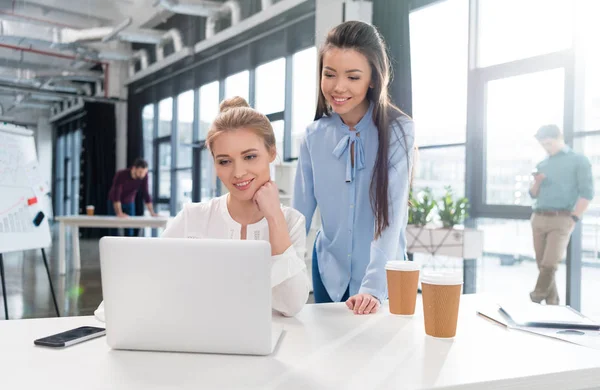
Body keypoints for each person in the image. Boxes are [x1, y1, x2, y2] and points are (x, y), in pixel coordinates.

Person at [293, 21, 415, 315]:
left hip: (385, 278)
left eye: (353, 76)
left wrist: (372, 287)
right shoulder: (312, 136)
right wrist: (280, 274)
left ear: (373, 79)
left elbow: (391, 215)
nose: (338, 87)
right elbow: (298, 218)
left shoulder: (399, 131)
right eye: (329, 74)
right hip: (328, 274)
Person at [156, 97, 309, 316]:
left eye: (250, 156)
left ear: (272, 153)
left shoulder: (292, 222)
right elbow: (149, 278)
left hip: (269, 343)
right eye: (224, 161)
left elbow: (291, 305)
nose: (238, 173)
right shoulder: (193, 218)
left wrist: (275, 218)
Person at [529, 124, 594, 305]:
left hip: (562, 218)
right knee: (542, 266)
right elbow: (533, 194)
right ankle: (552, 306)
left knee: (549, 265)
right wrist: (537, 182)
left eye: (549, 143)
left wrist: (574, 217)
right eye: (543, 145)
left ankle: (536, 298)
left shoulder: (578, 160)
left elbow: (587, 193)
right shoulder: (542, 164)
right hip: (538, 217)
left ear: (559, 137)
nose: (546, 148)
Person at [107, 158, 157, 236]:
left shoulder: (143, 176)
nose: (142, 175)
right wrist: (119, 213)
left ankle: (128, 247)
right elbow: (116, 195)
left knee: (130, 227)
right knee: (113, 227)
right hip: (114, 201)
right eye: (140, 172)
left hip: (129, 202)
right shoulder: (121, 174)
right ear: (134, 168)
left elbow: (146, 193)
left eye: (144, 173)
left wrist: (152, 213)